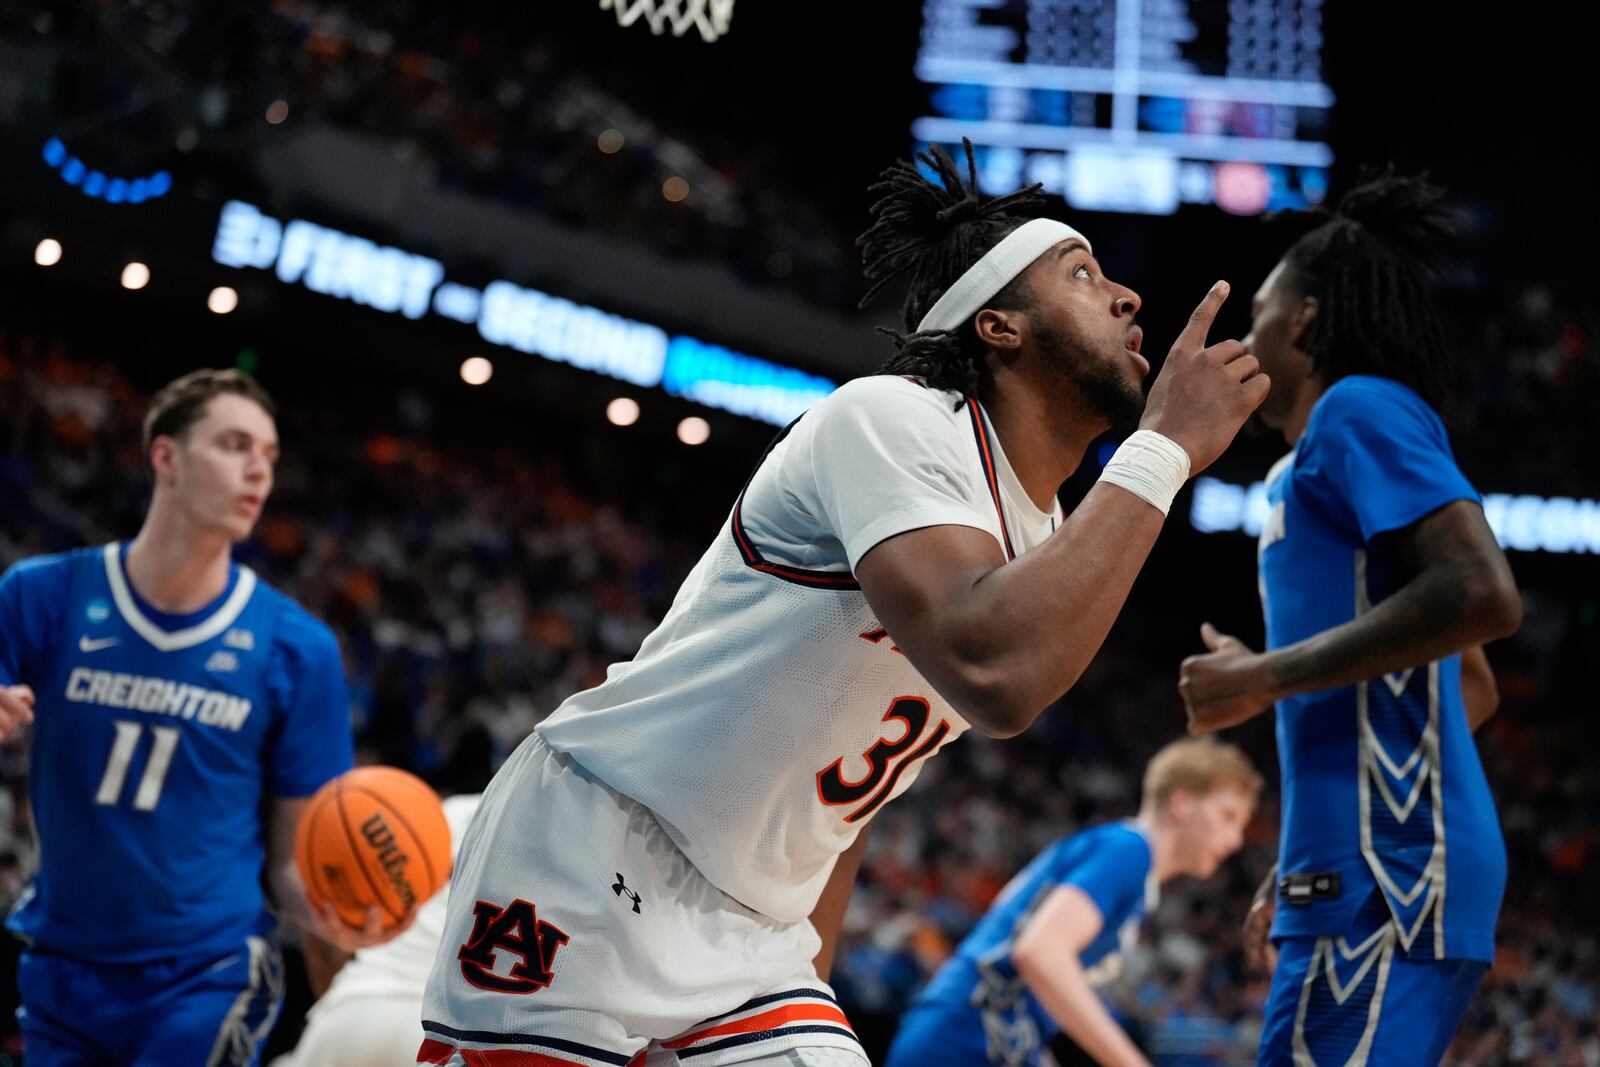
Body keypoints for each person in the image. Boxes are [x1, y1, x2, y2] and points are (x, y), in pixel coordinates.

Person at [420, 141, 1269, 1067]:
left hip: (756, 934)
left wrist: (809, 975)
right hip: (598, 846)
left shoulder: (1048, 531)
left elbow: (852, 794)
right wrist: (1163, 453)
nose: (1126, 296)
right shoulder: (891, 417)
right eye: (1081, 273)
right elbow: (998, 674)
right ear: (998, 326)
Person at [1177, 174, 1522, 1066]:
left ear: (1303, 321)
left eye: (1259, 312)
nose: (1246, 335)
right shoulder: (1310, 460)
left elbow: (1484, 592)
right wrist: (1308, 848)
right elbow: (1469, 687)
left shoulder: (1357, 405)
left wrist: (1263, 676)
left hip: (1390, 877)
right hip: (1367, 860)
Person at [0, 369, 404, 1066]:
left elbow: (292, 864)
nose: (257, 470)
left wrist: (348, 939)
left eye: (270, 456)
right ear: (167, 457)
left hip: (207, 975)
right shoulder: (43, 595)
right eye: (234, 444)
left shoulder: (298, 648)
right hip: (63, 962)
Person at [885, 738, 1261, 1067]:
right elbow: (1039, 951)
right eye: (1228, 816)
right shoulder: (1129, 850)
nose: (1235, 840)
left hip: (983, 1037)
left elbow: (1016, 938)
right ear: (1182, 803)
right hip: (962, 1041)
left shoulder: (1123, 858)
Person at [276, 794, 483, 1067]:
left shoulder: (444, 813)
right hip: (443, 1034)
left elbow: (321, 934)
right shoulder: (544, 841)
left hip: (352, 1009)